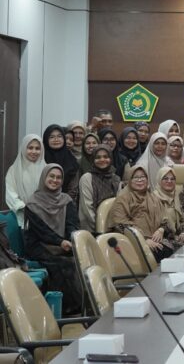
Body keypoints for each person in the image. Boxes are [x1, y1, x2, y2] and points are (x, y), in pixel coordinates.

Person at [23, 164, 82, 314]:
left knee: (80, 260)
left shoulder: (66, 200)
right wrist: (60, 242)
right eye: (51, 176)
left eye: (58, 177)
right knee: (63, 264)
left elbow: (72, 224)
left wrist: (71, 239)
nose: (55, 180)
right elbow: (41, 231)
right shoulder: (32, 203)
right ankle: (67, 309)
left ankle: (84, 304)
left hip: (64, 243)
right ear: (44, 178)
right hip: (39, 246)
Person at [109, 165, 173, 262]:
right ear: (129, 180)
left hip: (157, 238)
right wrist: (143, 240)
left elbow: (165, 218)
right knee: (164, 253)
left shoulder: (153, 197)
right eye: (136, 177)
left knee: (179, 249)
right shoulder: (123, 199)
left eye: (143, 177)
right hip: (134, 242)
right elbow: (120, 224)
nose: (140, 180)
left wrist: (161, 229)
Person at [5, 134, 46, 226]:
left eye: (37, 148)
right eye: (30, 148)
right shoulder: (14, 170)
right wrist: (23, 207)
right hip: (21, 216)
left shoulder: (46, 169)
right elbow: (10, 192)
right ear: (23, 148)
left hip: (43, 216)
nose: (34, 151)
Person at [78, 145, 121, 231]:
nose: (102, 160)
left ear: (111, 159)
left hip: (113, 228)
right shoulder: (87, 178)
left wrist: (113, 226)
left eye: (105, 157)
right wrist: (101, 227)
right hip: (91, 229)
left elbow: (118, 205)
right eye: (98, 157)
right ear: (93, 160)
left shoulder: (116, 179)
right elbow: (87, 210)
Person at [153, 167, 184, 250]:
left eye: (172, 179)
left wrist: (183, 233)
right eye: (165, 178)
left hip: (177, 237)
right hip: (161, 238)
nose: (169, 181)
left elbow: (183, 219)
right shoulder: (153, 199)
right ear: (159, 180)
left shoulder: (176, 197)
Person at [42, 124, 80, 203]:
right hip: (42, 203)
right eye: (51, 137)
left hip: (65, 204)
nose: (56, 139)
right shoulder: (41, 159)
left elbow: (73, 189)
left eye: (59, 136)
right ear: (46, 139)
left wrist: (62, 203)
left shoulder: (72, 160)